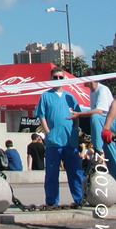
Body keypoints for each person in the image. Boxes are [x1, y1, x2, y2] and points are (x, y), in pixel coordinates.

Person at [35, 67, 83, 206]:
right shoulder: (45, 96)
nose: (58, 80)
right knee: (52, 173)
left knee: (75, 172)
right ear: (51, 79)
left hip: (70, 140)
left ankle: (79, 199)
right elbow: (41, 115)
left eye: (60, 77)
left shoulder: (70, 97)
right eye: (55, 77)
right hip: (53, 141)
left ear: (64, 78)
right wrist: (47, 132)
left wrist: (75, 129)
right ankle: (52, 201)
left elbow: (77, 114)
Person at [67, 70, 116, 179]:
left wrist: (79, 114)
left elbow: (99, 111)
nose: (82, 80)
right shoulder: (92, 92)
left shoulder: (102, 90)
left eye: (84, 77)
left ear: (91, 79)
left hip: (111, 121)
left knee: (95, 117)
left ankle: (98, 151)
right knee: (111, 157)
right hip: (105, 126)